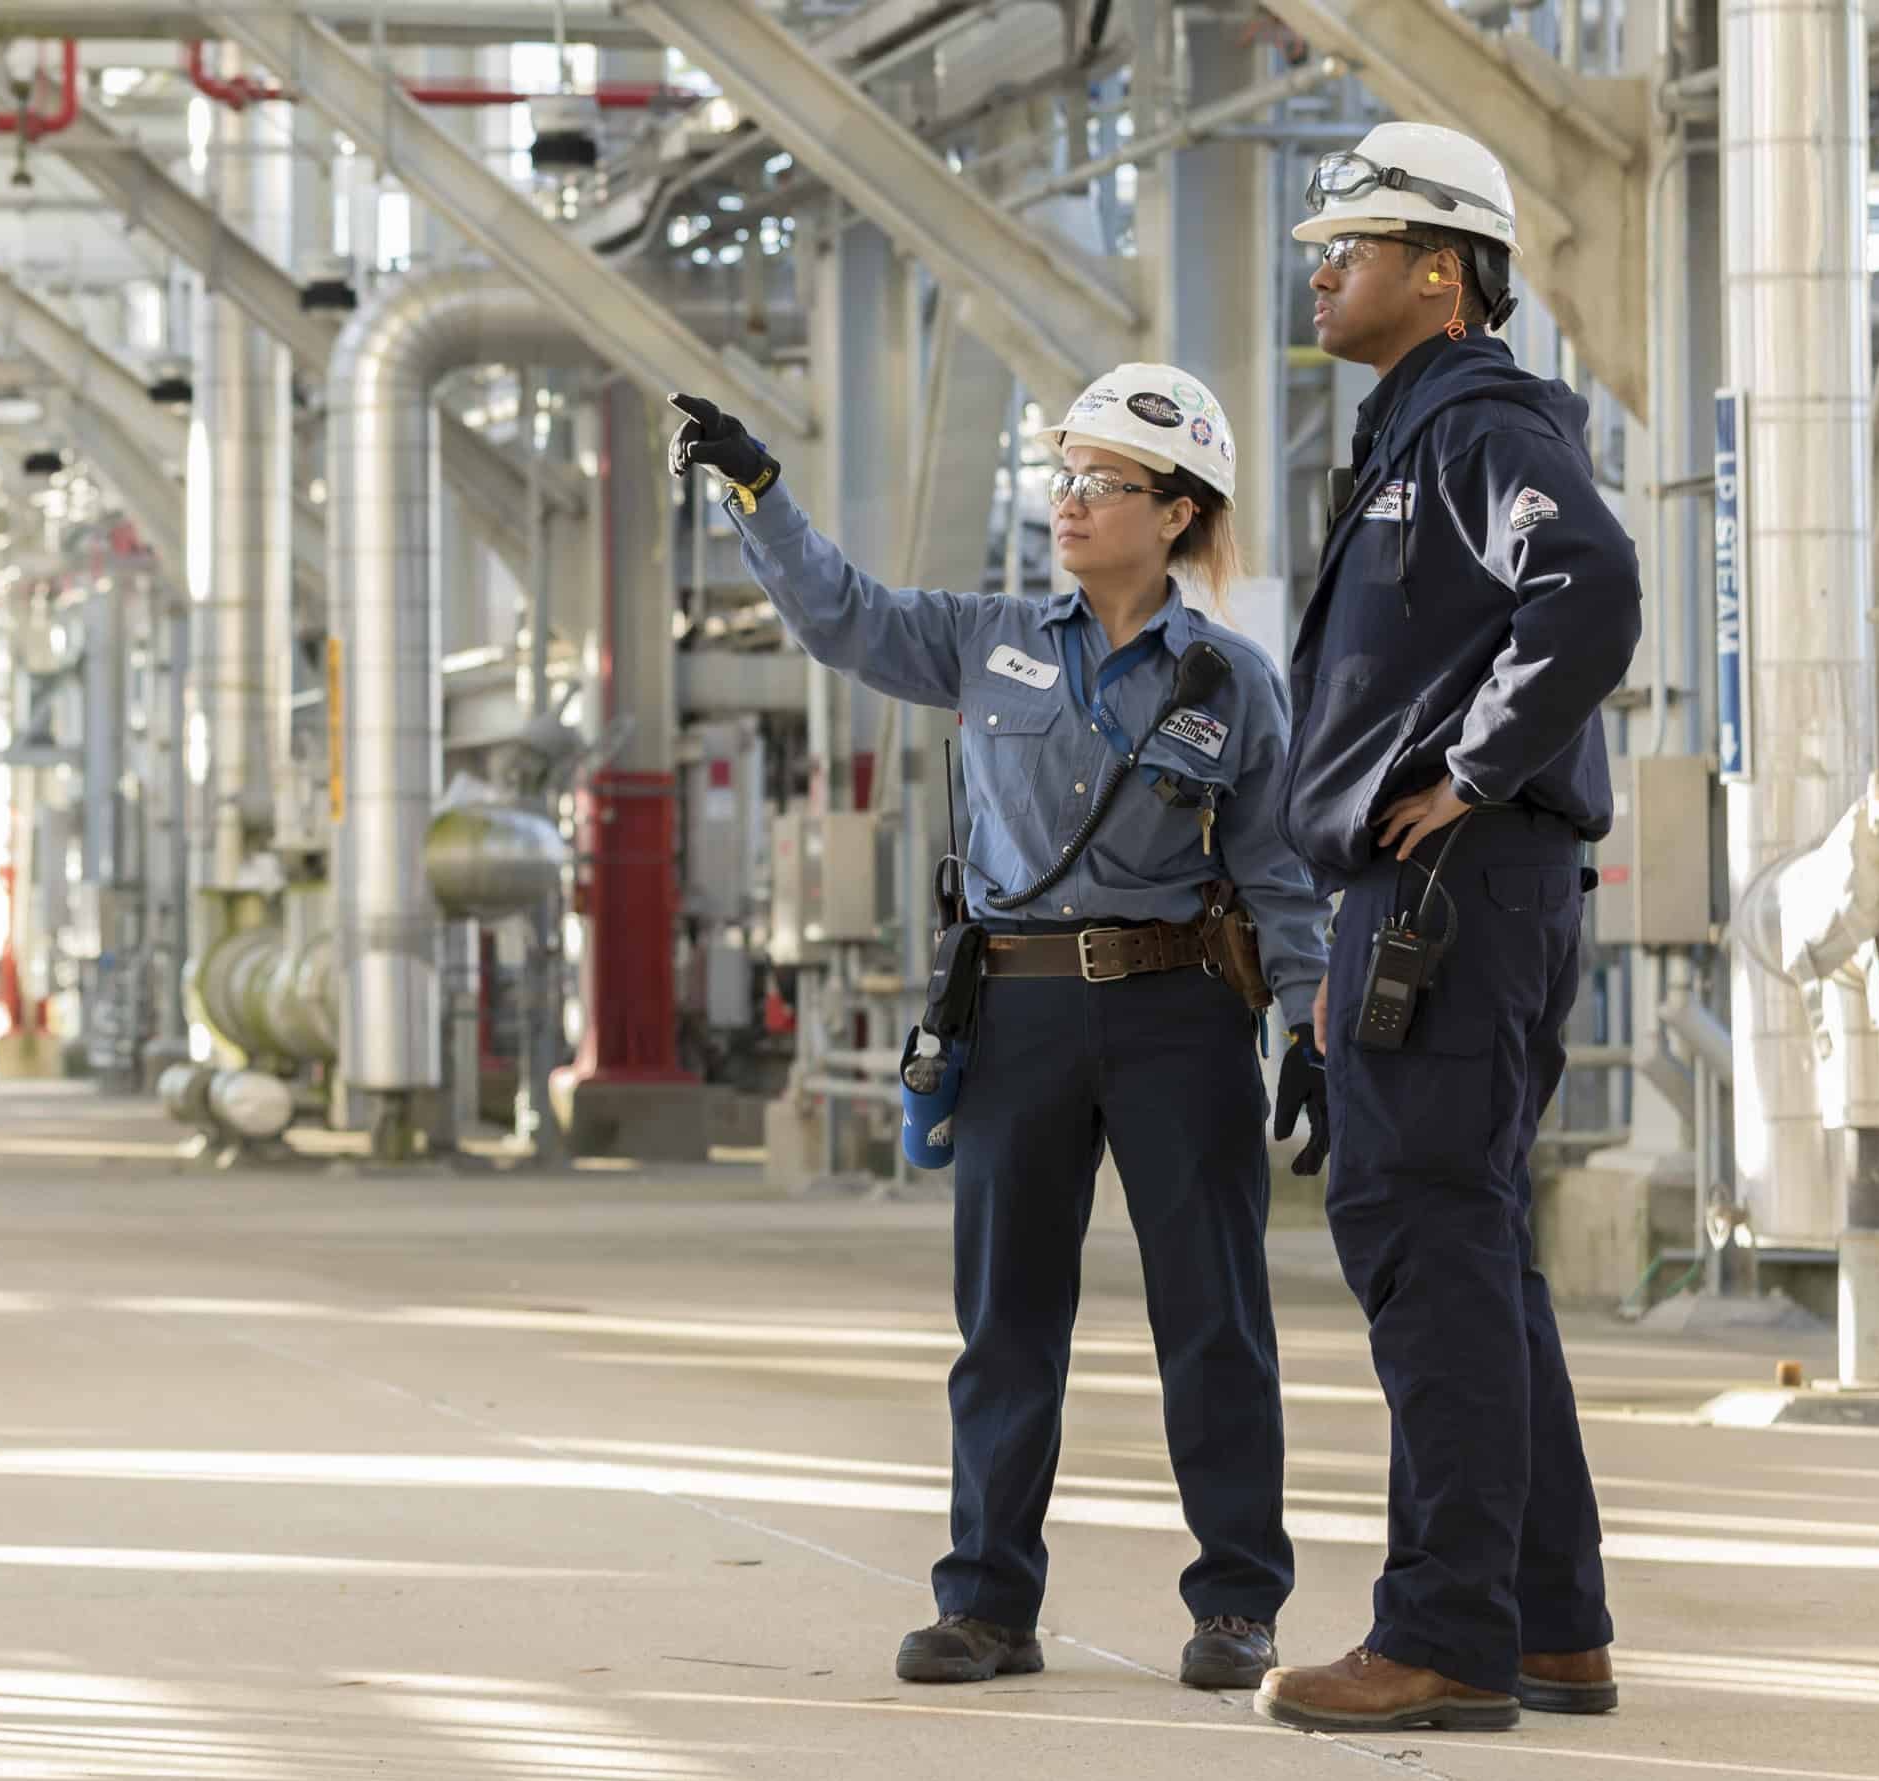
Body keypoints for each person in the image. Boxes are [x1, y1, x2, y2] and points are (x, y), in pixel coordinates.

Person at [674, 365, 1328, 1697]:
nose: (1071, 503)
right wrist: (761, 492)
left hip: (1178, 1010)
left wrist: (1313, 1025)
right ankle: (986, 1601)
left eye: (1103, 484)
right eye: (1065, 478)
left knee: (1214, 1316)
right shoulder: (984, 639)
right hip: (1017, 1004)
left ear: (1178, 512)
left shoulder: (1233, 678)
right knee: (1007, 1318)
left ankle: (1239, 1605)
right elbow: (841, 618)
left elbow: (1277, 873)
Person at [1250, 121, 1641, 1735]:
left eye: (1354, 241)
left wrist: (1472, 770)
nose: (1324, 265)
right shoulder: (1414, 432)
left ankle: (1446, 1635)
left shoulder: (1478, 420)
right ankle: (1548, 1625)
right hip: (1423, 900)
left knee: (1426, 1235)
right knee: (1472, 1242)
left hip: (1454, 891)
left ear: (1444, 267)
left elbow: (1593, 585)